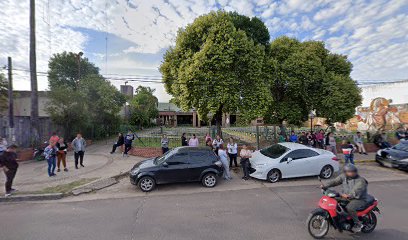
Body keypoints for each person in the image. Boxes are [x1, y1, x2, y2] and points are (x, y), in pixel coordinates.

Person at [321, 164, 370, 233]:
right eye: (348, 172)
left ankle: (358, 224)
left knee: (350, 208)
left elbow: (356, 191)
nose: (350, 173)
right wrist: (325, 185)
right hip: (346, 196)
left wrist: (348, 195)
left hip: (359, 199)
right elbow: (335, 181)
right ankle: (339, 219)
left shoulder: (360, 181)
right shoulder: (344, 177)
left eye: (352, 171)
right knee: (334, 200)